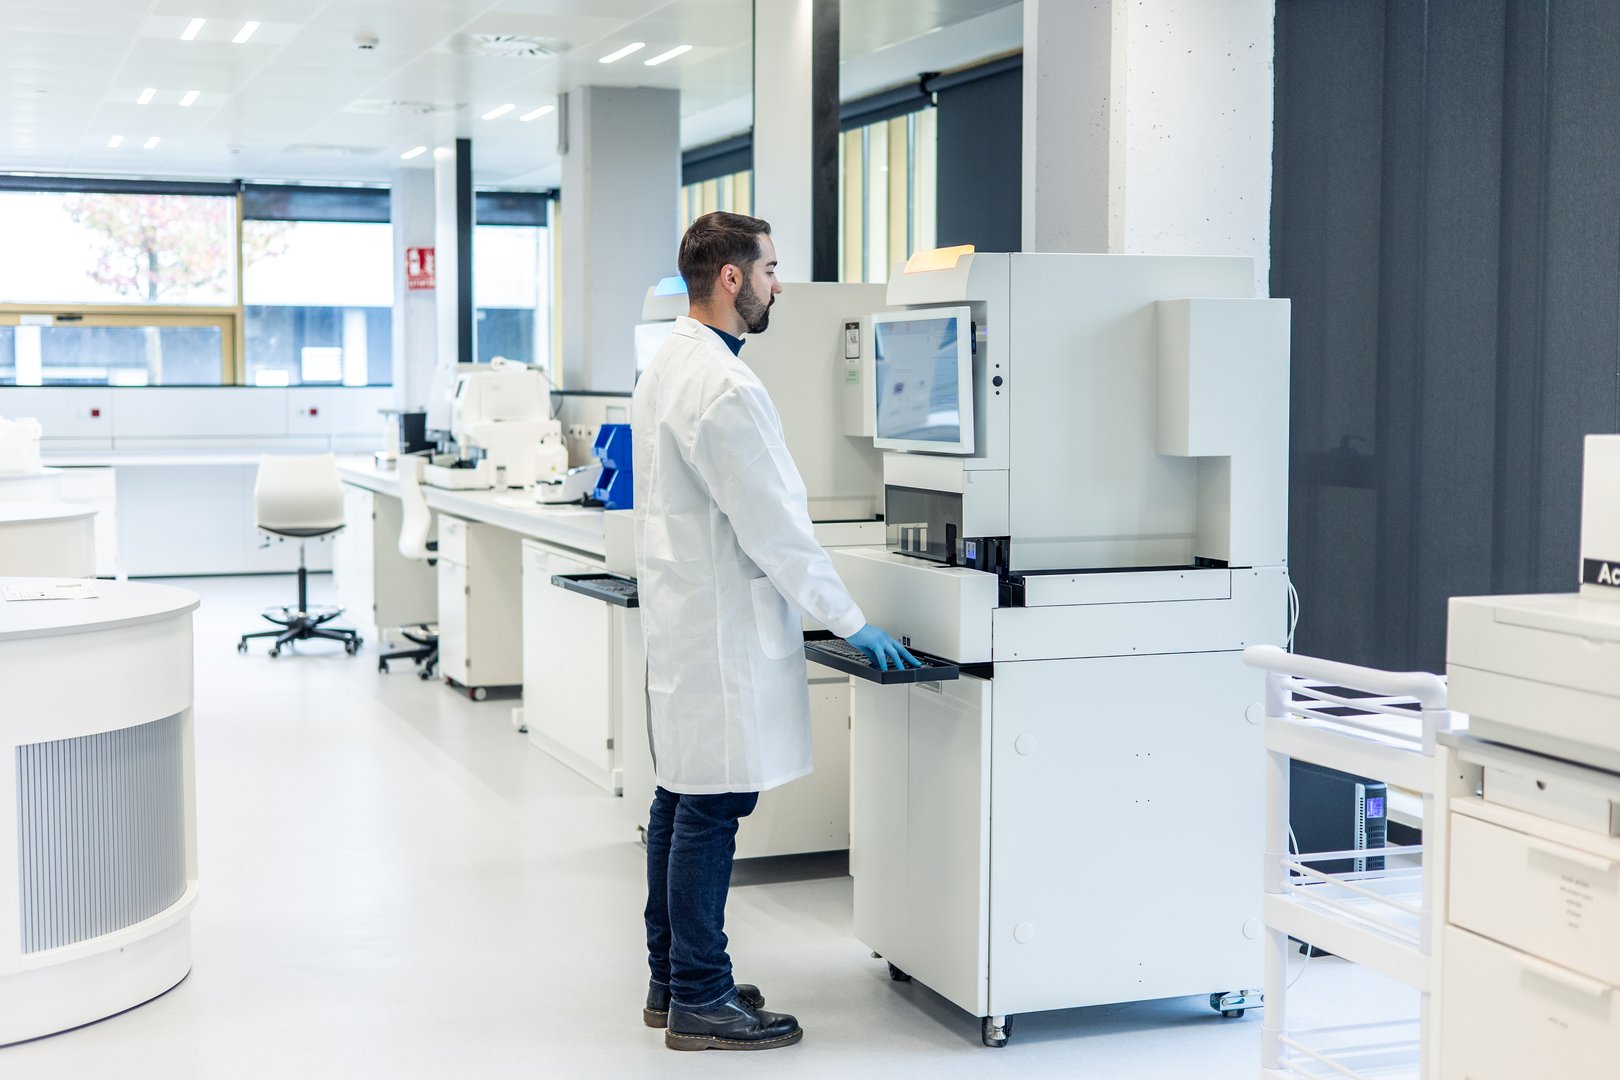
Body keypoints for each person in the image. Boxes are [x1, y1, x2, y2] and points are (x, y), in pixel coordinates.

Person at [633, 211, 920, 1052]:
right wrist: (853, 622)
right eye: (769, 270)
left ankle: (673, 976)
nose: (777, 285)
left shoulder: (669, 366)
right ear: (732, 278)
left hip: (690, 621)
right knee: (710, 807)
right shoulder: (724, 386)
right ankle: (701, 996)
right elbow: (777, 528)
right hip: (717, 629)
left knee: (682, 796)